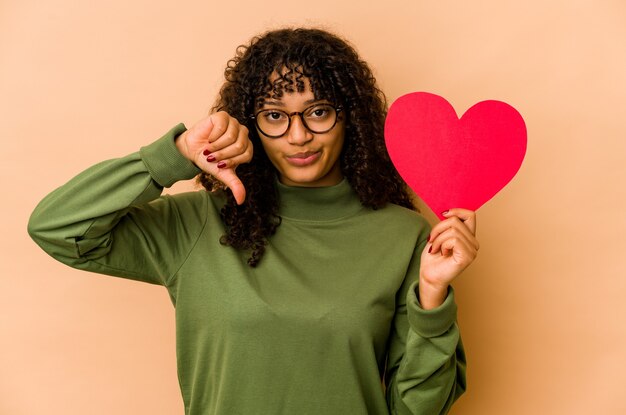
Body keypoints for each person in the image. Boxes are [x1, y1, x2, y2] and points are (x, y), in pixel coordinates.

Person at [28, 27, 479, 415]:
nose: (299, 135)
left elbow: (419, 407)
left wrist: (434, 299)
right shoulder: (197, 223)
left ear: (351, 118)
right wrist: (176, 155)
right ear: (249, 125)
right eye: (275, 116)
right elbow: (57, 227)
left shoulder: (406, 235)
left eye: (318, 111)